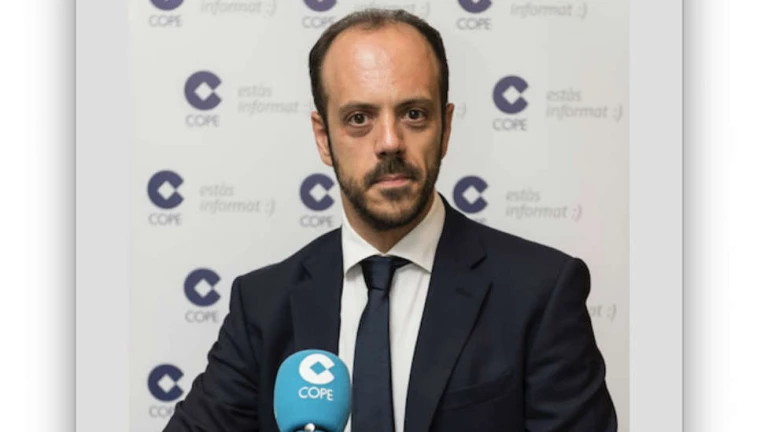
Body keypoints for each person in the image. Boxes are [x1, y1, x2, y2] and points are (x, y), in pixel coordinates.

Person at [164, 8, 617, 432]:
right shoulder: (264, 304)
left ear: (446, 127)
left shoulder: (539, 292)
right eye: (359, 118)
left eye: (414, 114)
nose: (389, 142)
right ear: (323, 137)